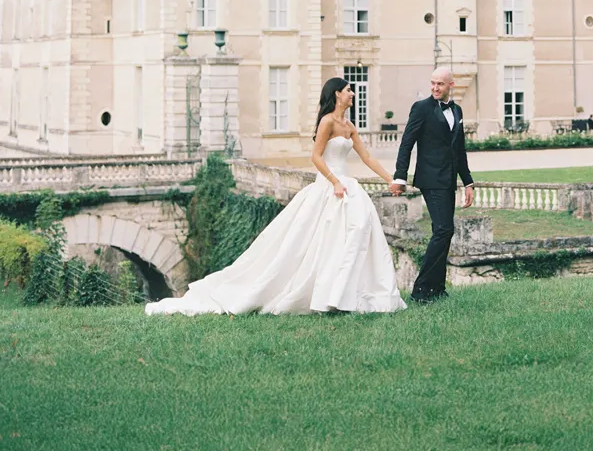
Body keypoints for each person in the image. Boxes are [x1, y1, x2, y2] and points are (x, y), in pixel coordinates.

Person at [146, 78, 406, 317]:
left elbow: (367, 157)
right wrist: (335, 181)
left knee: (355, 233)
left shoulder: (349, 126)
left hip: (347, 186)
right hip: (329, 186)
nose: (353, 93)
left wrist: (391, 179)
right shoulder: (327, 122)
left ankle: (345, 294)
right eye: (349, 90)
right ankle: (323, 295)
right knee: (314, 242)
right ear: (338, 94)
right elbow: (315, 157)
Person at [392, 67, 474, 303]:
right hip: (430, 178)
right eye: (432, 83)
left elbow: (459, 149)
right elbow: (406, 143)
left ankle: (437, 289)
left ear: (451, 85)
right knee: (443, 229)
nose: (435, 88)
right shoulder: (421, 108)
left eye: (440, 84)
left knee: (445, 231)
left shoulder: (457, 110)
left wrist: (467, 181)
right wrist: (400, 177)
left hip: (448, 180)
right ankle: (421, 290)